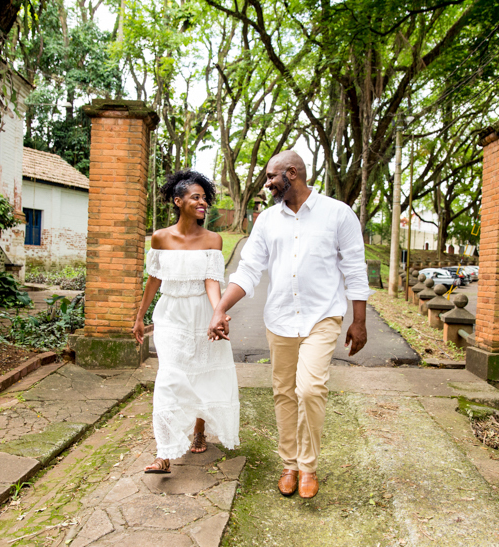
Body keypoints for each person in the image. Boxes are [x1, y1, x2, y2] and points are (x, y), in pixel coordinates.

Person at [207, 150, 369, 499]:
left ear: (291, 174)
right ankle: (289, 464)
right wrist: (220, 307)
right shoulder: (267, 220)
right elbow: (249, 270)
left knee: (310, 389)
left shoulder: (337, 214)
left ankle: (308, 467)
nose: (267, 184)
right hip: (280, 317)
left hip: (322, 315)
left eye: (270, 177)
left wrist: (359, 321)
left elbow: (355, 268)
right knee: (283, 393)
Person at [132, 170, 239, 474]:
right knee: (169, 377)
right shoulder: (160, 238)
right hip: (170, 316)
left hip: (202, 314)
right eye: (196, 197)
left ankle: (199, 430)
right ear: (178, 201)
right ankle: (164, 452)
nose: (203, 202)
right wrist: (140, 318)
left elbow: (211, 282)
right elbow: (154, 280)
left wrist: (218, 313)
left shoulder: (213, 240)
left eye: (205, 198)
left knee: (201, 374)